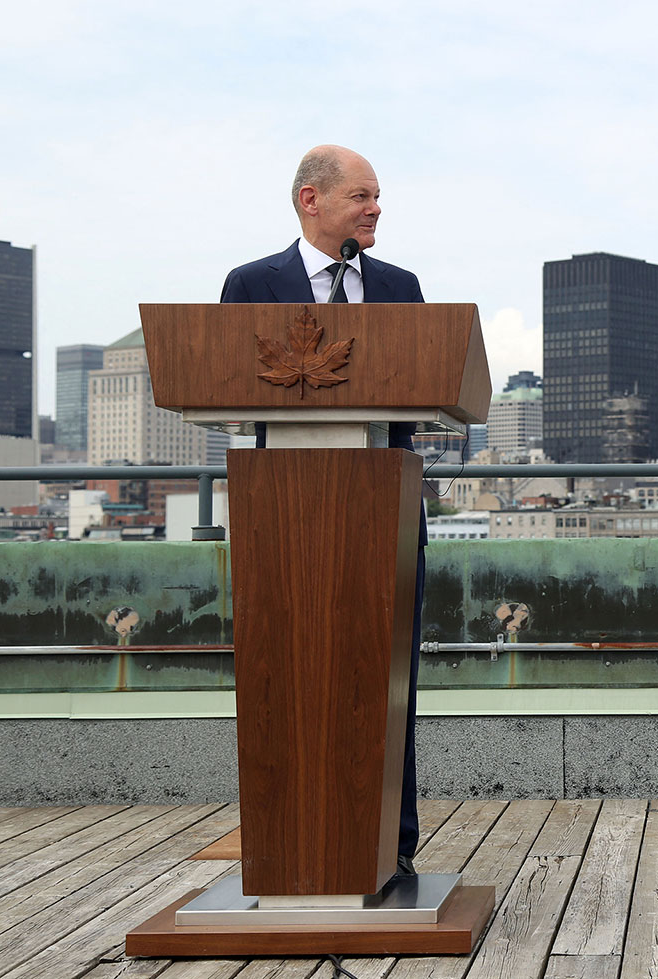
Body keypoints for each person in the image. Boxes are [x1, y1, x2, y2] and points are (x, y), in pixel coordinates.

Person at [221, 144, 428, 876]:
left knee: (388, 678)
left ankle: (389, 848)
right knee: (286, 678)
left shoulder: (401, 288)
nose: (376, 209)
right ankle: (288, 849)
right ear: (311, 200)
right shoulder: (251, 286)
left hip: (386, 515)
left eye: (377, 198)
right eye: (362, 196)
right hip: (282, 520)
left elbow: (425, 388)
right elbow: (225, 385)